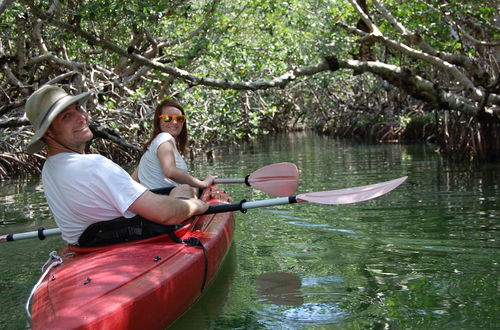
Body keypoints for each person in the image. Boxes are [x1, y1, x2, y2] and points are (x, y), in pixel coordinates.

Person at [24, 85, 209, 245]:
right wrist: (197, 206)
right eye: (66, 116)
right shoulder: (94, 165)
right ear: (48, 133)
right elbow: (166, 214)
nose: (82, 117)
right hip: (128, 237)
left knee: (177, 190)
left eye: (78, 108)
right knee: (184, 190)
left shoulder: (48, 168)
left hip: (87, 243)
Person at [132, 99, 216, 190]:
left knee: (193, 188)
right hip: (164, 199)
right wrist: (203, 183)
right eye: (168, 118)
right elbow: (170, 171)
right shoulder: (164, 138)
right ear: (158, 121)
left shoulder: (151, 149)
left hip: (157, 198)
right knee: (189, 188)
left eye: (179, 119)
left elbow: (132, 181)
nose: (174, 122)